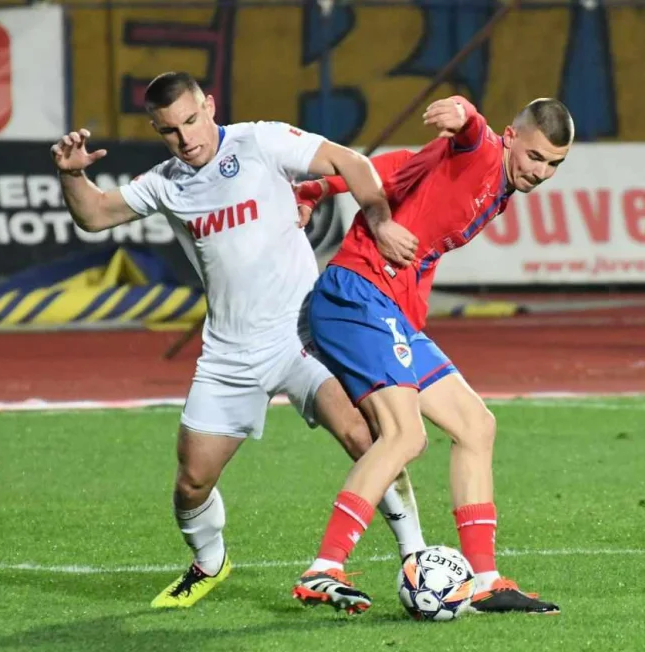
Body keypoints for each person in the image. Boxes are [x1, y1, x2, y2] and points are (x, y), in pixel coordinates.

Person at [49, 71, 429, 610]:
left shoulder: (260, 141)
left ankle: (417, 557)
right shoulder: (165, 181)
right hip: (230, 352)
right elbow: (94, 214)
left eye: (190, 120)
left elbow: (350, 162)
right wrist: (70, 177)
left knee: (367, 435)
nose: (186, 139)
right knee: (191, 482)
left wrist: (380, 219)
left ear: (209, 105)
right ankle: (209, 563)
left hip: (304, 333)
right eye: (169, 131)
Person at [289, 95, 573, 615]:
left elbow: (385, 169)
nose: (543, 172)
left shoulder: (485, 177)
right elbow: (472, 130)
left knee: (475, 425)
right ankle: (325, 567)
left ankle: (484, 579)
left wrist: (314, 188)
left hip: (387, 309)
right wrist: (464, 112)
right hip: (358, 294)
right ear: (513, 137)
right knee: (406, 435)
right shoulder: (483, 153)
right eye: (535, 157)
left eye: (555, 164)